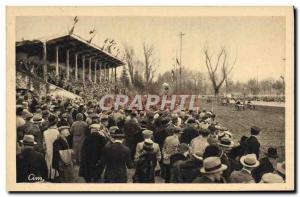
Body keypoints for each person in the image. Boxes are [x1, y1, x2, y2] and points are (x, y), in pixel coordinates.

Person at [43, 114, 60, 181]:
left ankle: (48, 175)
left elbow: (43, 143)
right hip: (55, 149)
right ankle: (54, 175)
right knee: (54, 162)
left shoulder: (45, 132)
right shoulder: (57, 132)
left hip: (48, 148)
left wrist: (45, 149)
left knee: (48, 161)